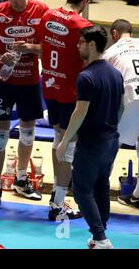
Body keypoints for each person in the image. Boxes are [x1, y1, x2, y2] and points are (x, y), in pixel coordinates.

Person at [0, 0, 48, 208]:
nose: (18, 3)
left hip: (29, 81)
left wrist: (30, 48)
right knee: (0, 136)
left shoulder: (41, 10)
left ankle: (21, 179)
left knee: (28, 134)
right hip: (4, 81)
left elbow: (48, 46)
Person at [57, 26, 124, 249]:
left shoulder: (85, 77)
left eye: (81, 42)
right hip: (111, 140)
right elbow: (121, 108)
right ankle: (99, 237)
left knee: (81, 190)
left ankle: (101, 238)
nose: (78, 46)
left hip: (92, 143)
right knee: (101, 187)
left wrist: (65, 140)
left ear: (92, 45)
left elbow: (80, 112)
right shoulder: (116, 74)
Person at [34, 0, 93, 221]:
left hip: (49, 87)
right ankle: (58, 203)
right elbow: (90, 57)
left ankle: (56, 199)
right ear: (85, 1)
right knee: (68, 146)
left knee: (59, 138)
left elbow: (42, 45)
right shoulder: (83, 25)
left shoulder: (47, 15)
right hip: (70, 92)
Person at [103, 19, 139, 209]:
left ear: (114, 34)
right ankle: (137, 196)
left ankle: (101, 189)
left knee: (112, 140)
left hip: (130, 99)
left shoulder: (110, 52)